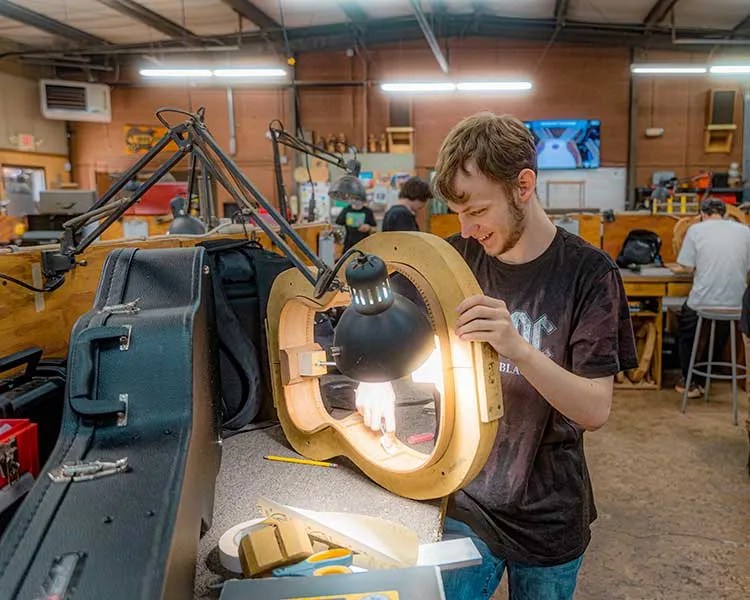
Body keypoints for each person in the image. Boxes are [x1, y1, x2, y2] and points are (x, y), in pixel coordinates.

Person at [427, 112, 637, 600]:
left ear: (523, 186)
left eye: (477, 210)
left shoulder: (589, 274)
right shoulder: (456, 259)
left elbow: (594, 409)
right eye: (458, 213)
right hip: (467, 499)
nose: (467, 228)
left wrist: (518, 348)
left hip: (549, 511)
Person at [674, 198, 750, 398]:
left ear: (702, 214)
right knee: (720, 326)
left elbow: (687, 267)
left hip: (703, 303)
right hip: (737, 305)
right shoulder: (745, 231)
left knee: (685, 323)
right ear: (725, 213)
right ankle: (706, 376)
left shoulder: (696, 230)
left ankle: (689, 379)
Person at [332, 175, 376, 252]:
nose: (355, 200)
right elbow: (337, 227)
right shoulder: (346, 210)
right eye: (353, 198)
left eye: (357, 198)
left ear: (362, 199)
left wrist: (369, 228)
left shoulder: (368, 212)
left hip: (364, 247)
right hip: (348, 247)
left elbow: (375, 230)